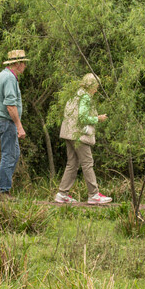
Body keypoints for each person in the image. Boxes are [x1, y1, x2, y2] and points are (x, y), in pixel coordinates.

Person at [55, 73, 113, 205]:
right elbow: (82, 118)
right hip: (79, 135)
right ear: (91, 85)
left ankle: (62, 193)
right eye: (96, 86)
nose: (97, 90)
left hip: (68, 133)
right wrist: (97, 118)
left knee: (72, 163)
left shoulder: (76, 94)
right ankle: (94, 194)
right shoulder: (86, 97)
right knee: (87, 163)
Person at [0, 49, 27, 198]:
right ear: (17, 64)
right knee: (10, 155)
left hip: (4, 121)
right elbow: (10, 105)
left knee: (14, 153)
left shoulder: (6, 75)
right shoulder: (9, 78)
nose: (25, 66)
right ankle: (2, 190)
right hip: (6, 121)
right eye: (24, 63)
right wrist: (19, 126)